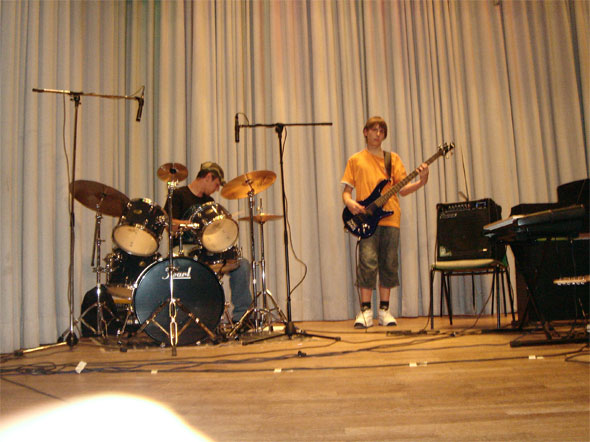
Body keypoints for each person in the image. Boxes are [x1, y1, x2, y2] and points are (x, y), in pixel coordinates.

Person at [341, 116, 429, 328]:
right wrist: (350, 203)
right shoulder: (355, 160)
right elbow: (346, 192)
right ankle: (365, 311)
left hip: (391, 218)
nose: (378, 134)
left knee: (389, 264)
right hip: (366, 219)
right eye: (374, 130)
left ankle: (384, 311)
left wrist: (422, 181)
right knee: (367, 263)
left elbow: (403, 189)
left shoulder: (393, 159)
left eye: (381, 131)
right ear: (365, 132)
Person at [163, 161, 252, 324]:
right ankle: (199, 318)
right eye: (216, 184)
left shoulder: (209, 201)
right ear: (208, 177)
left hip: (208, 250)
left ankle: (242, 318)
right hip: (185, 250)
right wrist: (191, 224)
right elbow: (169, 224)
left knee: (242, 265)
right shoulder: (178, 195)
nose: (217, 189)